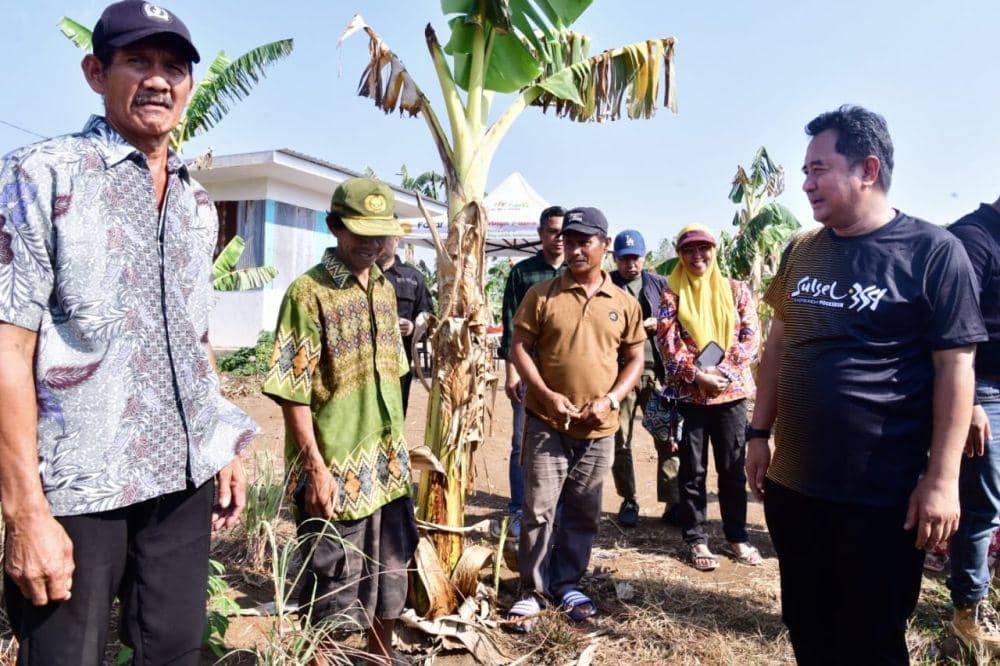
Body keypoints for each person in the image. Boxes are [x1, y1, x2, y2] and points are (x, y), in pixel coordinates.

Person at [0, 2, 258, 662]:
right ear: (95, 72)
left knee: (171, 651)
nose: (158, 80)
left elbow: (194, 338)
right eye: (137, 61)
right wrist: (26, 512)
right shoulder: (41, 175)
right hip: (77, 491)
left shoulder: (197, 202)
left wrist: (220, 438)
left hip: (179, 483)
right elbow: (9, 344)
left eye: (173, 67)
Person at [745, 105, 986, 664]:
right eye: (805, 171)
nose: (806, 184)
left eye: (818, 168)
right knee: (808, 625)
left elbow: (956, 368)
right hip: (796, 488)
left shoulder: (931, 252)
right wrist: (758, 433)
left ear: (868, 169)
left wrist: (942, 480)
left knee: (872, 639)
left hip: (880, 498)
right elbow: (777, 347)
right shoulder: (802, 250)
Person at [262, 178, 417, 663]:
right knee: (331, 584)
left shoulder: (387, 291)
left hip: (387, 469)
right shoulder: (308, 293)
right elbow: (293, 391)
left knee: (392, 574)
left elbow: (394, 380)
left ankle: (379, 656)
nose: (372, 245)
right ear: (333, 226)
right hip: (335, 469)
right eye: (360, 233)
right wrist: (315, 469)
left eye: (381, 235)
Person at [506, 206, 645, 632]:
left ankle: (567, 582)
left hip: (598, 427)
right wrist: (544, 394)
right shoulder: (542, 295)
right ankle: (531, 591)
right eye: (570, 240)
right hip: (547, 422)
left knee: (584, 510)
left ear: (604, 245)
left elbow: (635, 356)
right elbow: (520, 347)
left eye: (586, 241)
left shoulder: (623, 302)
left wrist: (612, 399)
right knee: (539, 508)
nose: (576, 249)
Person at [657, 224, 761, 571]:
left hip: (730, 397)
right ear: (680, 255)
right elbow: (668, 344)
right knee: (692, 469)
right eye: (688, 250)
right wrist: (697, 375)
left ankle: (737, 536)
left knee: (732, 469)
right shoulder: (672, 295)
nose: (696, 256)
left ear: (714, 252)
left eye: (703, 249)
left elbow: (750, 338)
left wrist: (723, 374)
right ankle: (696, 537)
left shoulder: (736, 291)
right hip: (692, 397)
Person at [946, 195, 1000, 652]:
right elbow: (951, 325)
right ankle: (968, 613)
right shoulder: (972, 238)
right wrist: (972, 401)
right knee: (982, 506)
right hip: (984, 389)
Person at [496, 205, 565, 537]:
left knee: (563, 440)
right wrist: (511, 371)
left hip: (564, 372)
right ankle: (517, 509)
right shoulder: (523, 273)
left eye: (564, 232)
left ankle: (557, 511)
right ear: (540, 233)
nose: (559, 238)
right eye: (553, 231)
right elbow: (511, 325)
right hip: (527, 368)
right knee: (521, 442)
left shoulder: (575, 272)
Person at [608, 229, 679, 527]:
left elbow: (677, 318)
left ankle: (673, 502)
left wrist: (658, 323)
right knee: (620, 441)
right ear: (615, 259)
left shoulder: (659, 284)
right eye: (624, 259)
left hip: (654, 377)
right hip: (619, 377)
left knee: (667, 439)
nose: (630, 264)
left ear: (644, 257)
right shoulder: (606, 285)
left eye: (635, 258)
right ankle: (629, 499)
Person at [378, 235, 434, 415]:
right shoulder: (361, 273)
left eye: (385, 237)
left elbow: (428, 316)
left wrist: (413, 327)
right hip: (363, 365)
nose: (379, 241)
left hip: (399, 364)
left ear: (396, 239)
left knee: (395, 415)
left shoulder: (413, 276)